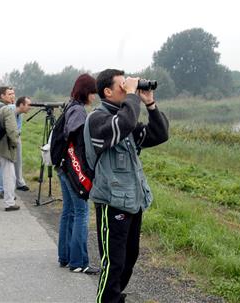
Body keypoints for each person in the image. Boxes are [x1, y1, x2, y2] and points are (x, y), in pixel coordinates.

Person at [84, 69, 169, 303]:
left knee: (129, 258)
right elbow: (124, 123)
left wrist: (150, 103)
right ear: (108, 92)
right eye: (123, 85)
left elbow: (159, 135)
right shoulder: (98, 119)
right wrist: (132, 96)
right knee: (113, 263)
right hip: (112, 202)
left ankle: (114, 298)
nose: (128, 88)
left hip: (132, 200)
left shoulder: (125, 117)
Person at [57, 74, 100, 275]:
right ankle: (79, 262)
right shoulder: (79, 112)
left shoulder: (69, 106)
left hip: (63, 166)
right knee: (81, 212)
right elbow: (75, 137)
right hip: (73, 169)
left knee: (69, 211)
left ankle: (64, 257)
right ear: (86, 92)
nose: (95, 96)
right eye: (93, 92)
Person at [13, 96, 32, 191]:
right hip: (6, 138)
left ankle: (19, 182)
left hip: (16, 136)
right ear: (21, 105)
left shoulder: (20, 114)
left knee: (18, 160)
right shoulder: (10, 112)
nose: (30, 107)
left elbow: (18, 129)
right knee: (4, 163)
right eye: (28, 105)